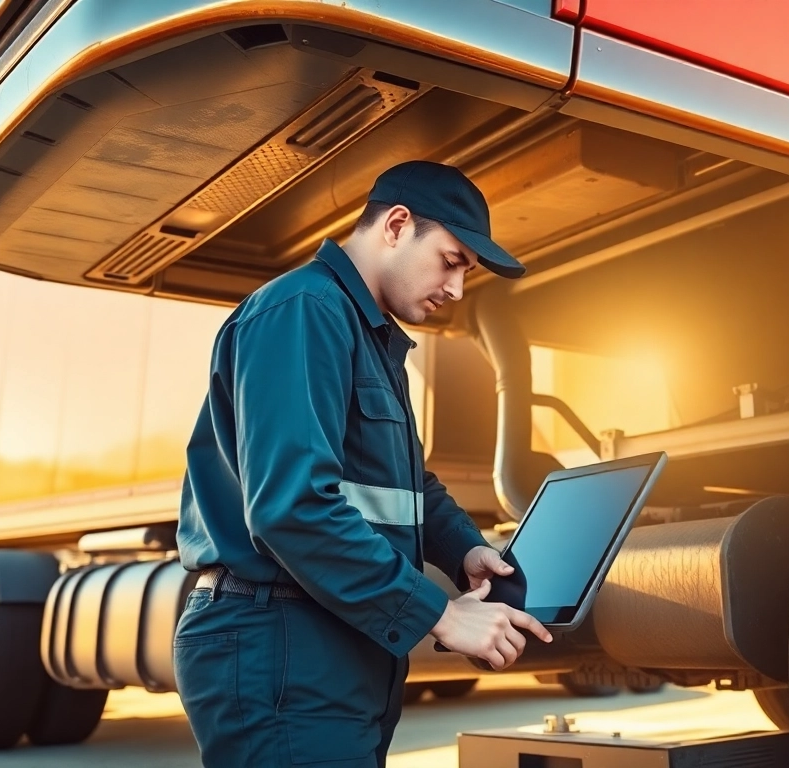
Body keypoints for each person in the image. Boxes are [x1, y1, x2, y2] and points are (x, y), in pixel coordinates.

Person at [172, 160, 553, 767]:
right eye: (452, 260)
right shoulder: (305, 310)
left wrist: (463, 550)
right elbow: (292, 508)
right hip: (282, 642)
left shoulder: (368, 335)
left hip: (329, 642)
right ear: (397, 225)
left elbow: (405, 487)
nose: (456, 289)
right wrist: (441, 615)